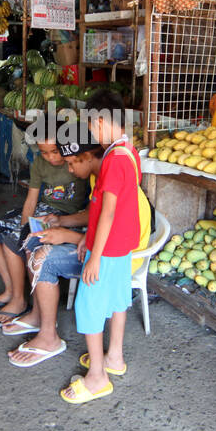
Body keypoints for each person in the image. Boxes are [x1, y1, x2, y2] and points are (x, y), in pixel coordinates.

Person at [4, 139, 152, 369]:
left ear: (89, 157)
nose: (70, 170)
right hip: (108, 251)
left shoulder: (111, 179)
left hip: (119, 259)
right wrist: (60, 222)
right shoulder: (102, 174)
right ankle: (39, 314)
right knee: (39, 243)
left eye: (72, 163)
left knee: (45, 259)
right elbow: (95, 216)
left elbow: (112, 236)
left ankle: (50, 338)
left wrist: (67, 236)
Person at [60, 90, 140, 404]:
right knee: (118, 300)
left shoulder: (112, 160)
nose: (92, 133)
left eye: (92, 127)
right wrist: (85, 238)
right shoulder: (128, 152)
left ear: (102, 121)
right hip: (122, 245)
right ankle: (114, 358)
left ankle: (97, 378)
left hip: (108, 248)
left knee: (88, 307)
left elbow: (107, 211)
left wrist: (94, 256)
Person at [0, 137, 89, 328]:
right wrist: (23, 226)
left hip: (67, 215)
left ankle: (19, 301)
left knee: (14, 241)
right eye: (44, 152)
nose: (50, 157)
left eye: (54, 151)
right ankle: (11, 290)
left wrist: (22, 235)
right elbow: (31, 200)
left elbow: (90, 212)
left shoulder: (77, 162)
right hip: (42, 210)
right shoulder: (39, 163)